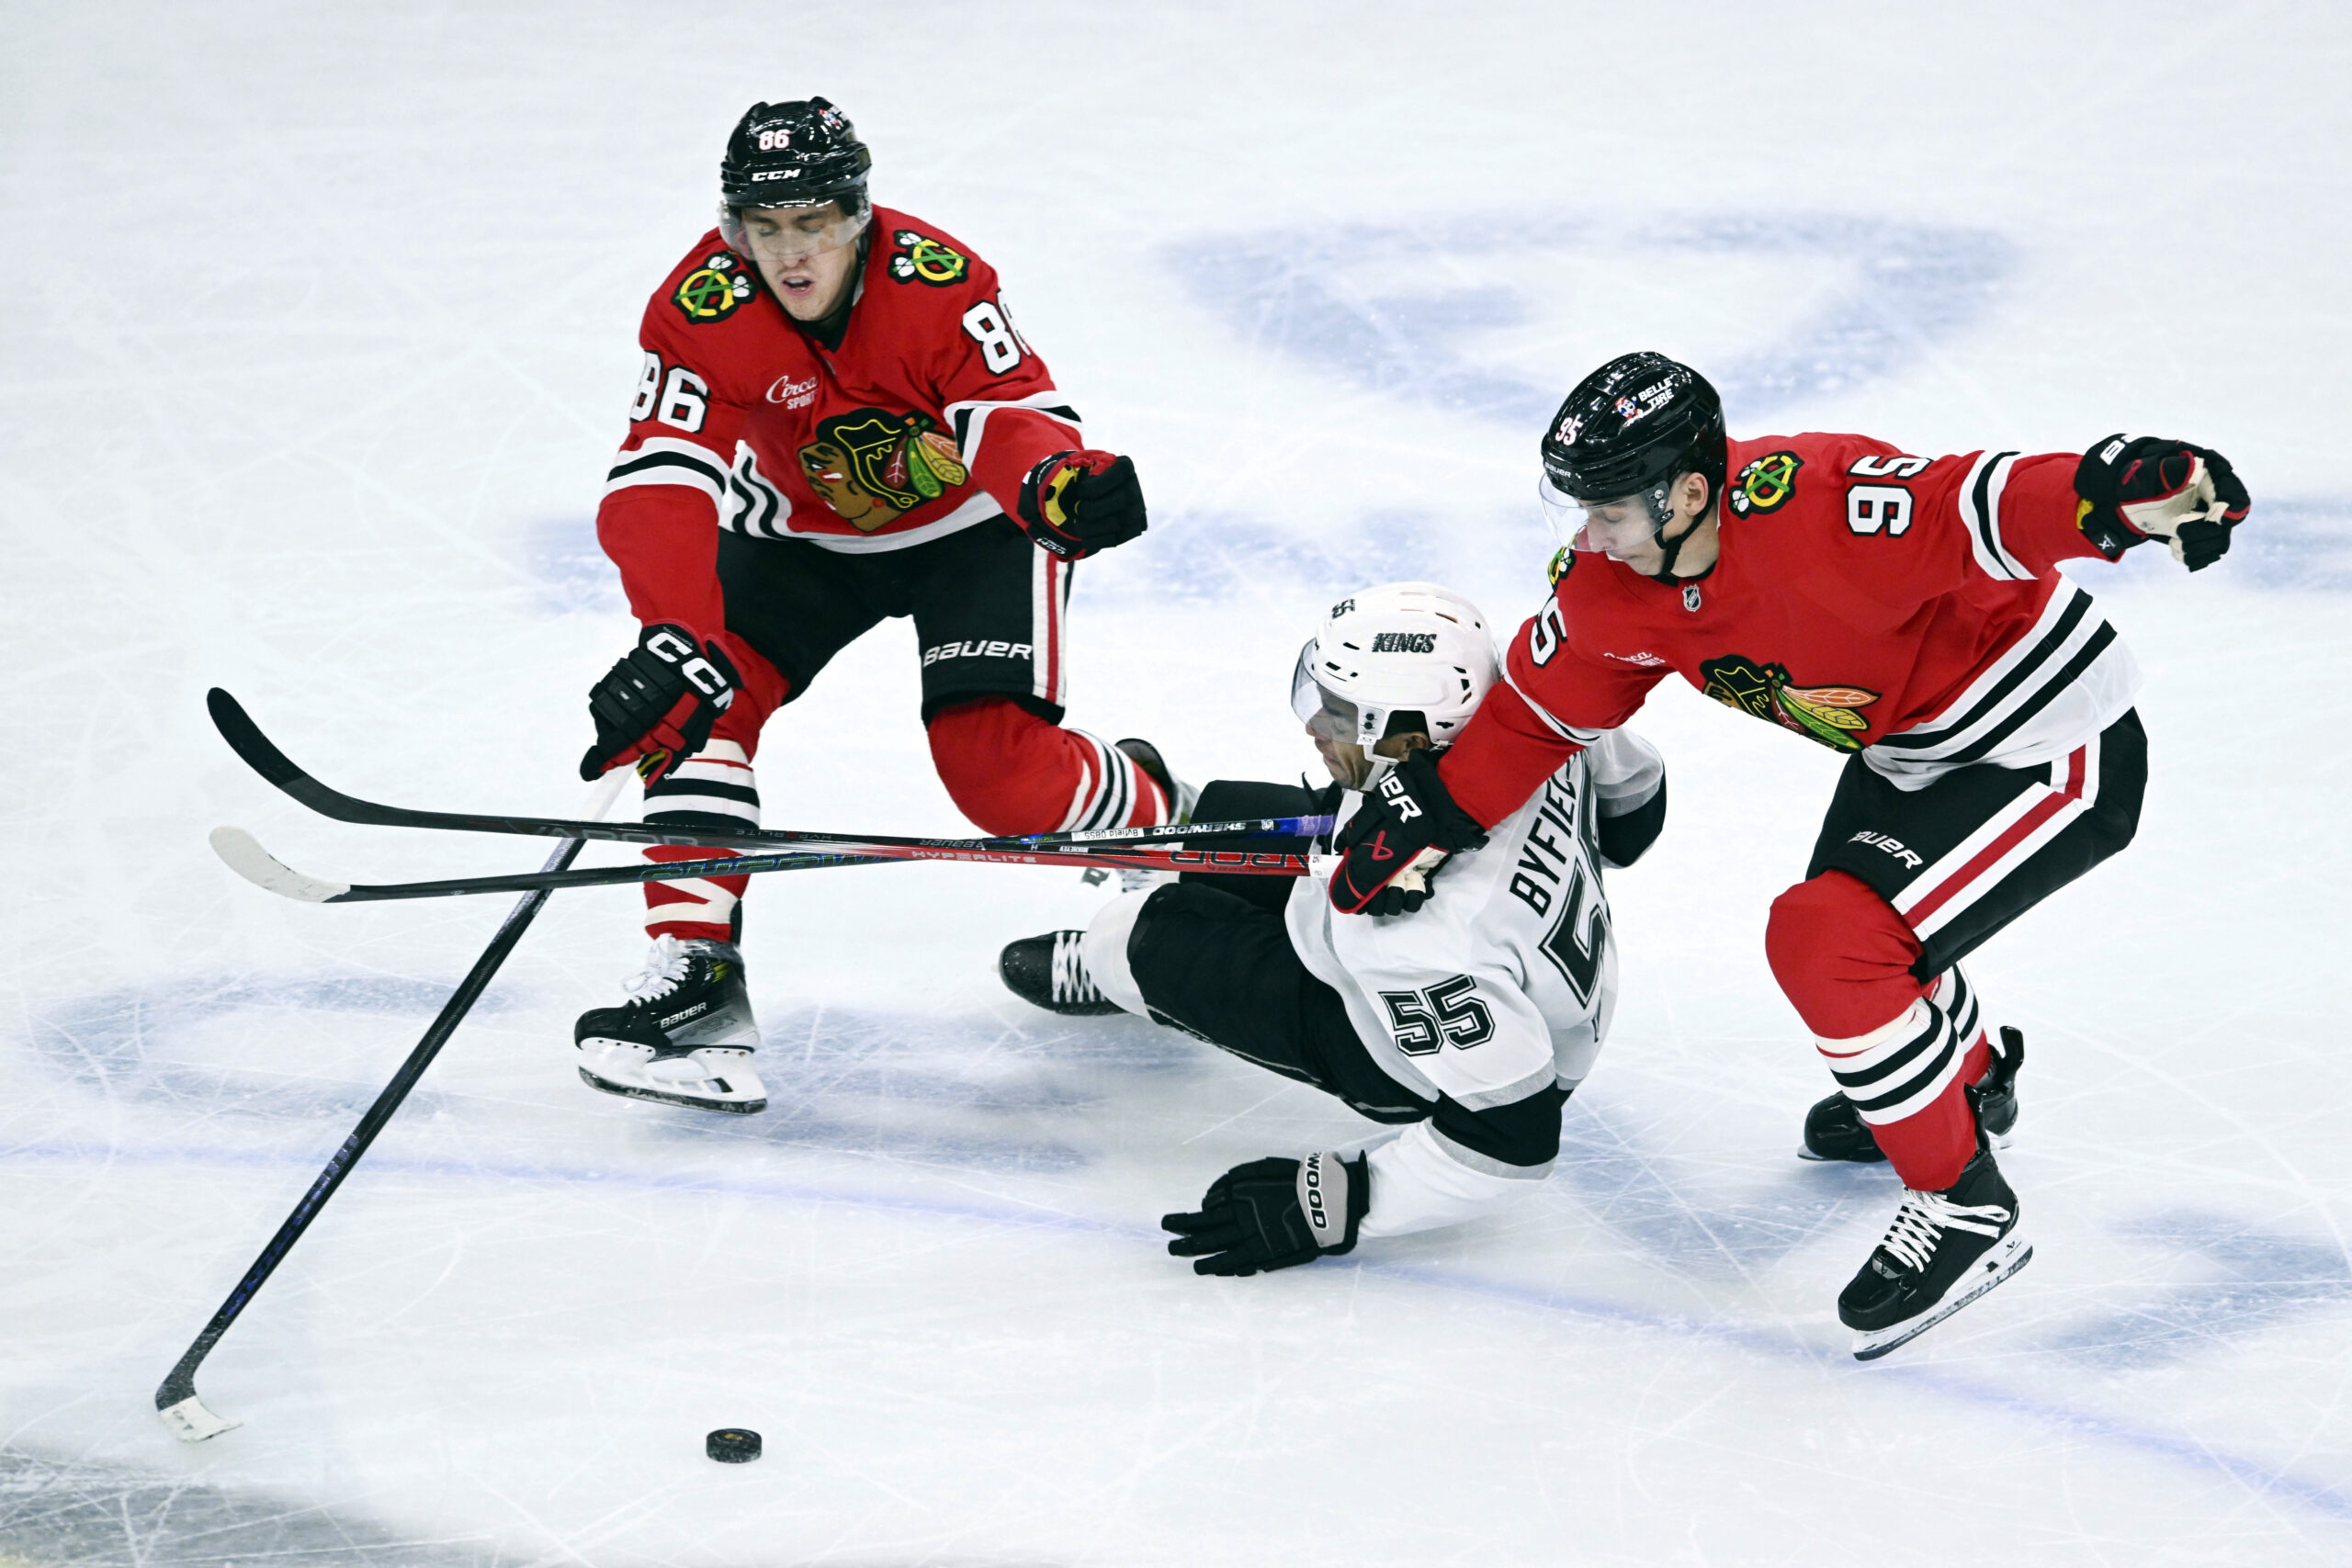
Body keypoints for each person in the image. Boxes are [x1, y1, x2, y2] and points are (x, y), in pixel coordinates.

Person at [1322, 351, 2250, 1359]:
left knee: (1831, 944)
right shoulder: (1609, 586)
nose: (1589, 536)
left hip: (2049, 742)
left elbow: (1977, 503)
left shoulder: (1821, 506)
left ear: (1687, 491)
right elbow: (1543, 720)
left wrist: (2114, 489)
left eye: (1610, 511)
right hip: (1911, 753)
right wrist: (1431, 811)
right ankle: (1968, 1084)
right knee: (1858, 936)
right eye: (1575, 509)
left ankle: (1962, 1206)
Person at [570, 97, 1189, 1115]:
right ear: (734, 230)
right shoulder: (700, 305)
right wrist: (675, 629)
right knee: (695, 702)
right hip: (804, 544)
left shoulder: (937, 282)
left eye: (812, 221)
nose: (789, 253)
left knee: (998, 780)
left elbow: (1008, 416)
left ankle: (1161, 828)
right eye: (763, 229)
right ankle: (696, 987)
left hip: (973, 534)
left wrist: (1058, 485)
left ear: (858, 214)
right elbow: (659, 476)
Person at [998, 583, 1668, 1273]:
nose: (1315, 724)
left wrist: (1344, 1201)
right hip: (1500, 962)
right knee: (1307, 820)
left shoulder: (1425, 944)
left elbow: (1513, 1137)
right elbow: (1635, 809)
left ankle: (1113, 966)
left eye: (1342, 713)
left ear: (1414, 734)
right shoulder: (1534, 710)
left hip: (1396, 1046)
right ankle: (1181, 815)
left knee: (1143, 935)